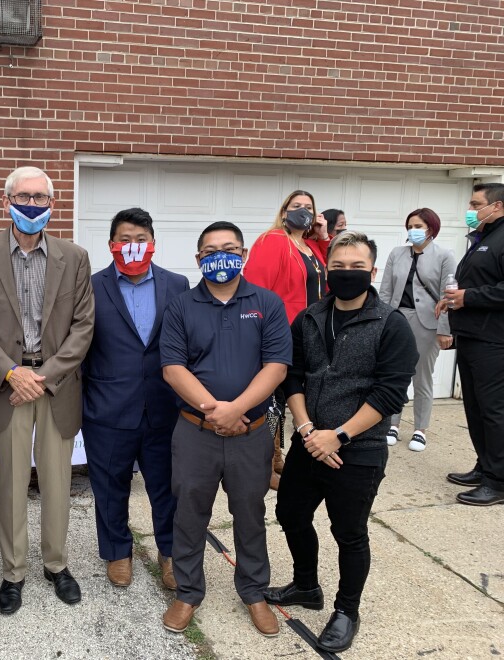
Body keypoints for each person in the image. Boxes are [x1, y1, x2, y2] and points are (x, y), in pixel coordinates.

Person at [265, 230, 418, 653]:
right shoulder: (311, 317)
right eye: (338, 266)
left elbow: (389, 392)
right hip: (310, 439)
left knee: (349, 532)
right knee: (290, 514)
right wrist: (308, 429)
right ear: (326, 268)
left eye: (356, 267)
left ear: (373, 270)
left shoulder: (392, 324)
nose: (347, 274)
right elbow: (292, 375)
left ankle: (347, 610)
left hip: (359, 449)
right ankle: (306, 585)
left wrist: (340, 435)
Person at [0, 165, 95, 615]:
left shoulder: (74, 257)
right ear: (6, 201)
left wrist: (43, 376)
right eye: (24, 196)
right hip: (8, 389)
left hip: (55, 386)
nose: (32, 205)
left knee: (58, 483)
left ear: (52, 205)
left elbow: (83, 327)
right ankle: (13, 572)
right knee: (12, 485)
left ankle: (57, 565)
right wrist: (11, 374)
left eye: (41, 198)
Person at [159, 221, 292, 638]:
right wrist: (214, 410)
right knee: (189, 514)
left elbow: (276, 366)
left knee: (250, 514)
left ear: (244, 254)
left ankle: (253, 592)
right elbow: (173, 367)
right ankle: (188, 592)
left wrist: (237, 409)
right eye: (211, 249)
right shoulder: (181, 305)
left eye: (230, 247)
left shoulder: (267, 304)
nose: (221, 255)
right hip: (195, 432)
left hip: (250, 433)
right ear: (199, 258)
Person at [82, 207, 189, 589]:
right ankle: (117, 552)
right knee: (110, 487)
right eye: (125, 240)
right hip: (108, 408)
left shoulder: (177, 285)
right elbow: (79, 346)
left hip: (165, 407)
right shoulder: (91, 287)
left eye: (140, 240)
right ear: (111, 244)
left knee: (167, 486)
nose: (132, 246)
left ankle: (171, 554)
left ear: (153, 244)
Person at [243, 190, 330, 490]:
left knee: (289, 399)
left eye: (309, 207)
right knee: (272, 402)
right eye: (297, 207)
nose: (303, 211)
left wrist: (323, 238)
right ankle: (265, 464)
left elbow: (329, 282)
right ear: (284, 213)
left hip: (309, 336)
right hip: (281, 334)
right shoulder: (273, 241)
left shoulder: (309, 246)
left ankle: (278, 458)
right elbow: (256, 290)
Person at [435, 183, 504, 506]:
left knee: (493, 411)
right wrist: (451, 299)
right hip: (473, 336)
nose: (471, 209)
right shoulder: (483, 238)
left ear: (498, 206)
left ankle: (498, 481)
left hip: (494, 340)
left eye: (476, 203)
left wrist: (469, 297)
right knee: (475, 408)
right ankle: (485, 465)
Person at [379, 208, 456, 451]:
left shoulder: (444, 255)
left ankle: (420, 429)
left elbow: (448, 295)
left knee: (422, 378)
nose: (413, 230)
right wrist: (380, 320)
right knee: (393, 373)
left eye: (418, 226)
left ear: (431, 229)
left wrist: (445, 330)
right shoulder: (397, 253)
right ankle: (392, 423)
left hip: (428, 324)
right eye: (410, 226)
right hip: (397, 319)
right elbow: (386, 291)